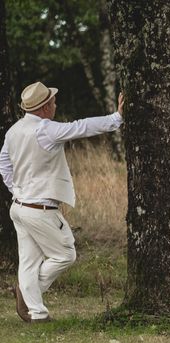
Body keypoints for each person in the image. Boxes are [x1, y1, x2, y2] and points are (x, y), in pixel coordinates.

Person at [0, 81, 124, 323]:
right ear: (45, 107)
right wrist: (116, 117)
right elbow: (81, 127)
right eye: (53, 102)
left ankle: (37, 314)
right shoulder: (46, 129)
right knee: (66, 254)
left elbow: (4, 165)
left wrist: (17, 190)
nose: (55, 105)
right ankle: (26, 294)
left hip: (19, 207)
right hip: (40, 209)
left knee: (28, 261)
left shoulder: (13, 131)